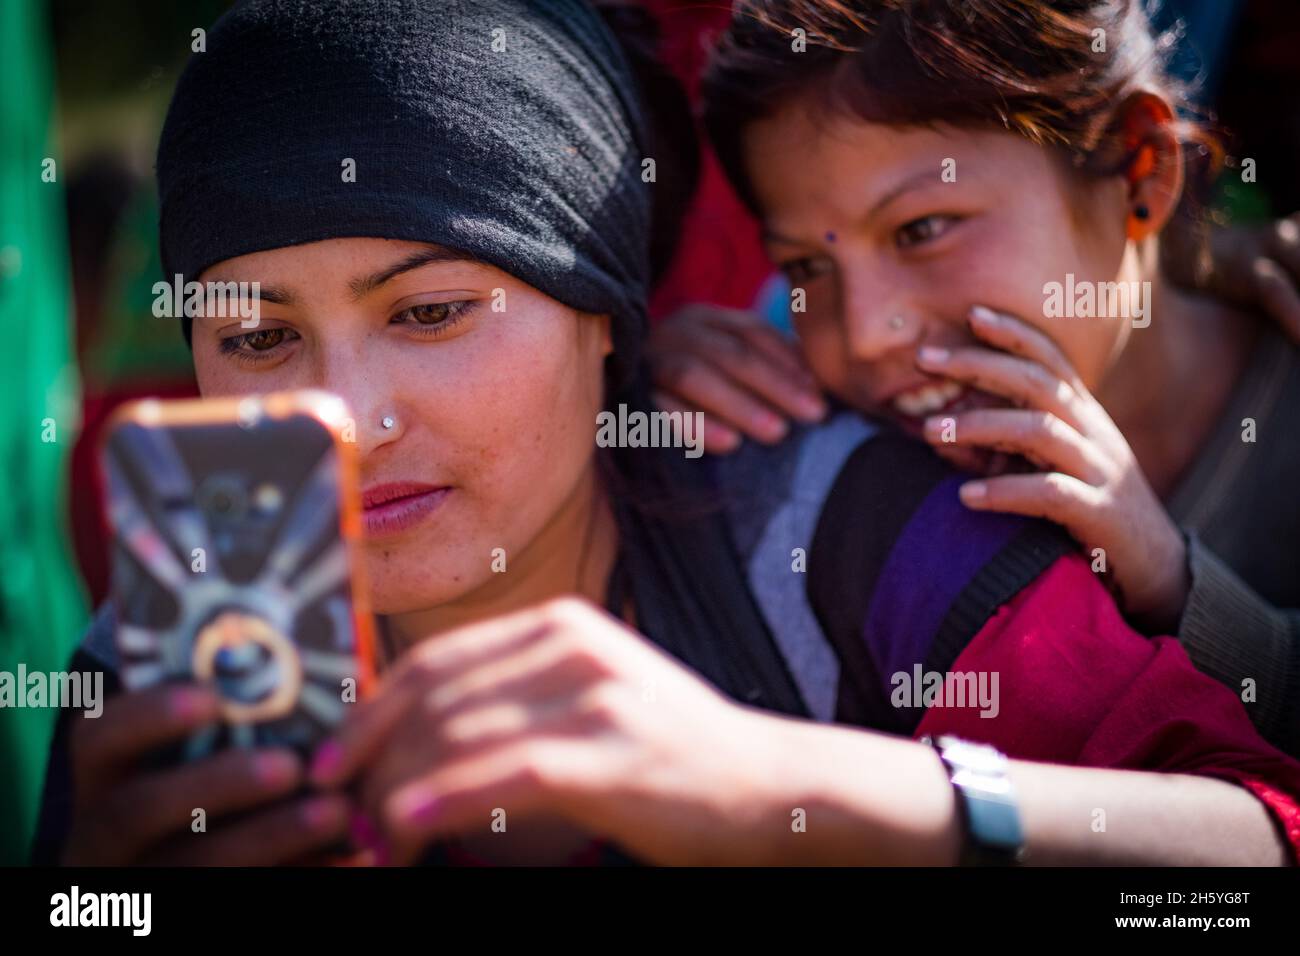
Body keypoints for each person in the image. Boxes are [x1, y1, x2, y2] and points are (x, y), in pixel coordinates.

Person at [32, 0, 1300, 867]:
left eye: (429, 311)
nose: (347, 416)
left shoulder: (855, 529)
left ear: (607, 316)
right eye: (256, 337)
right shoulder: (162, 665)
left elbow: (1254, 838)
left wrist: (799, 797)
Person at [648, 0, 1300, 756]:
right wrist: (642, 374)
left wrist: (1177, 586)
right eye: (807, 266)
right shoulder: (830, 435)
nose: (866, 335)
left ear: (1138, 169)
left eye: (922, 229)